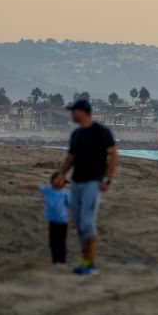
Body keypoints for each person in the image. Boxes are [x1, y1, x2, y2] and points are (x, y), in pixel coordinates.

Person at [54, 99, 117, 275]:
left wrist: (107, 180)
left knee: (87, 222)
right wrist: (61, 174)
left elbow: (113, 156)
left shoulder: (101, 132)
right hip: (76, 182)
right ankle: (85, 261)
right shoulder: (76, 134)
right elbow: (70, 158)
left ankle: (91, 263)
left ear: (82, 111)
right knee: (78, 223)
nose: (71, 114)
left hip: (93, 182)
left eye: (73, 111)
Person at [19, 172, 71, 264]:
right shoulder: (48, 190)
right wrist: (25, 185)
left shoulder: (66, 193)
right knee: (53, 242)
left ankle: (62, 260)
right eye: (57, 179)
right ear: (52, 180)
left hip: (62, 221)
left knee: (61, 242)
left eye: (61, 180)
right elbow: (37, 187)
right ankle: (55, 260)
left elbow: (71, 205)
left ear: (64, 183)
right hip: (52, 220)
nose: (59, 182)